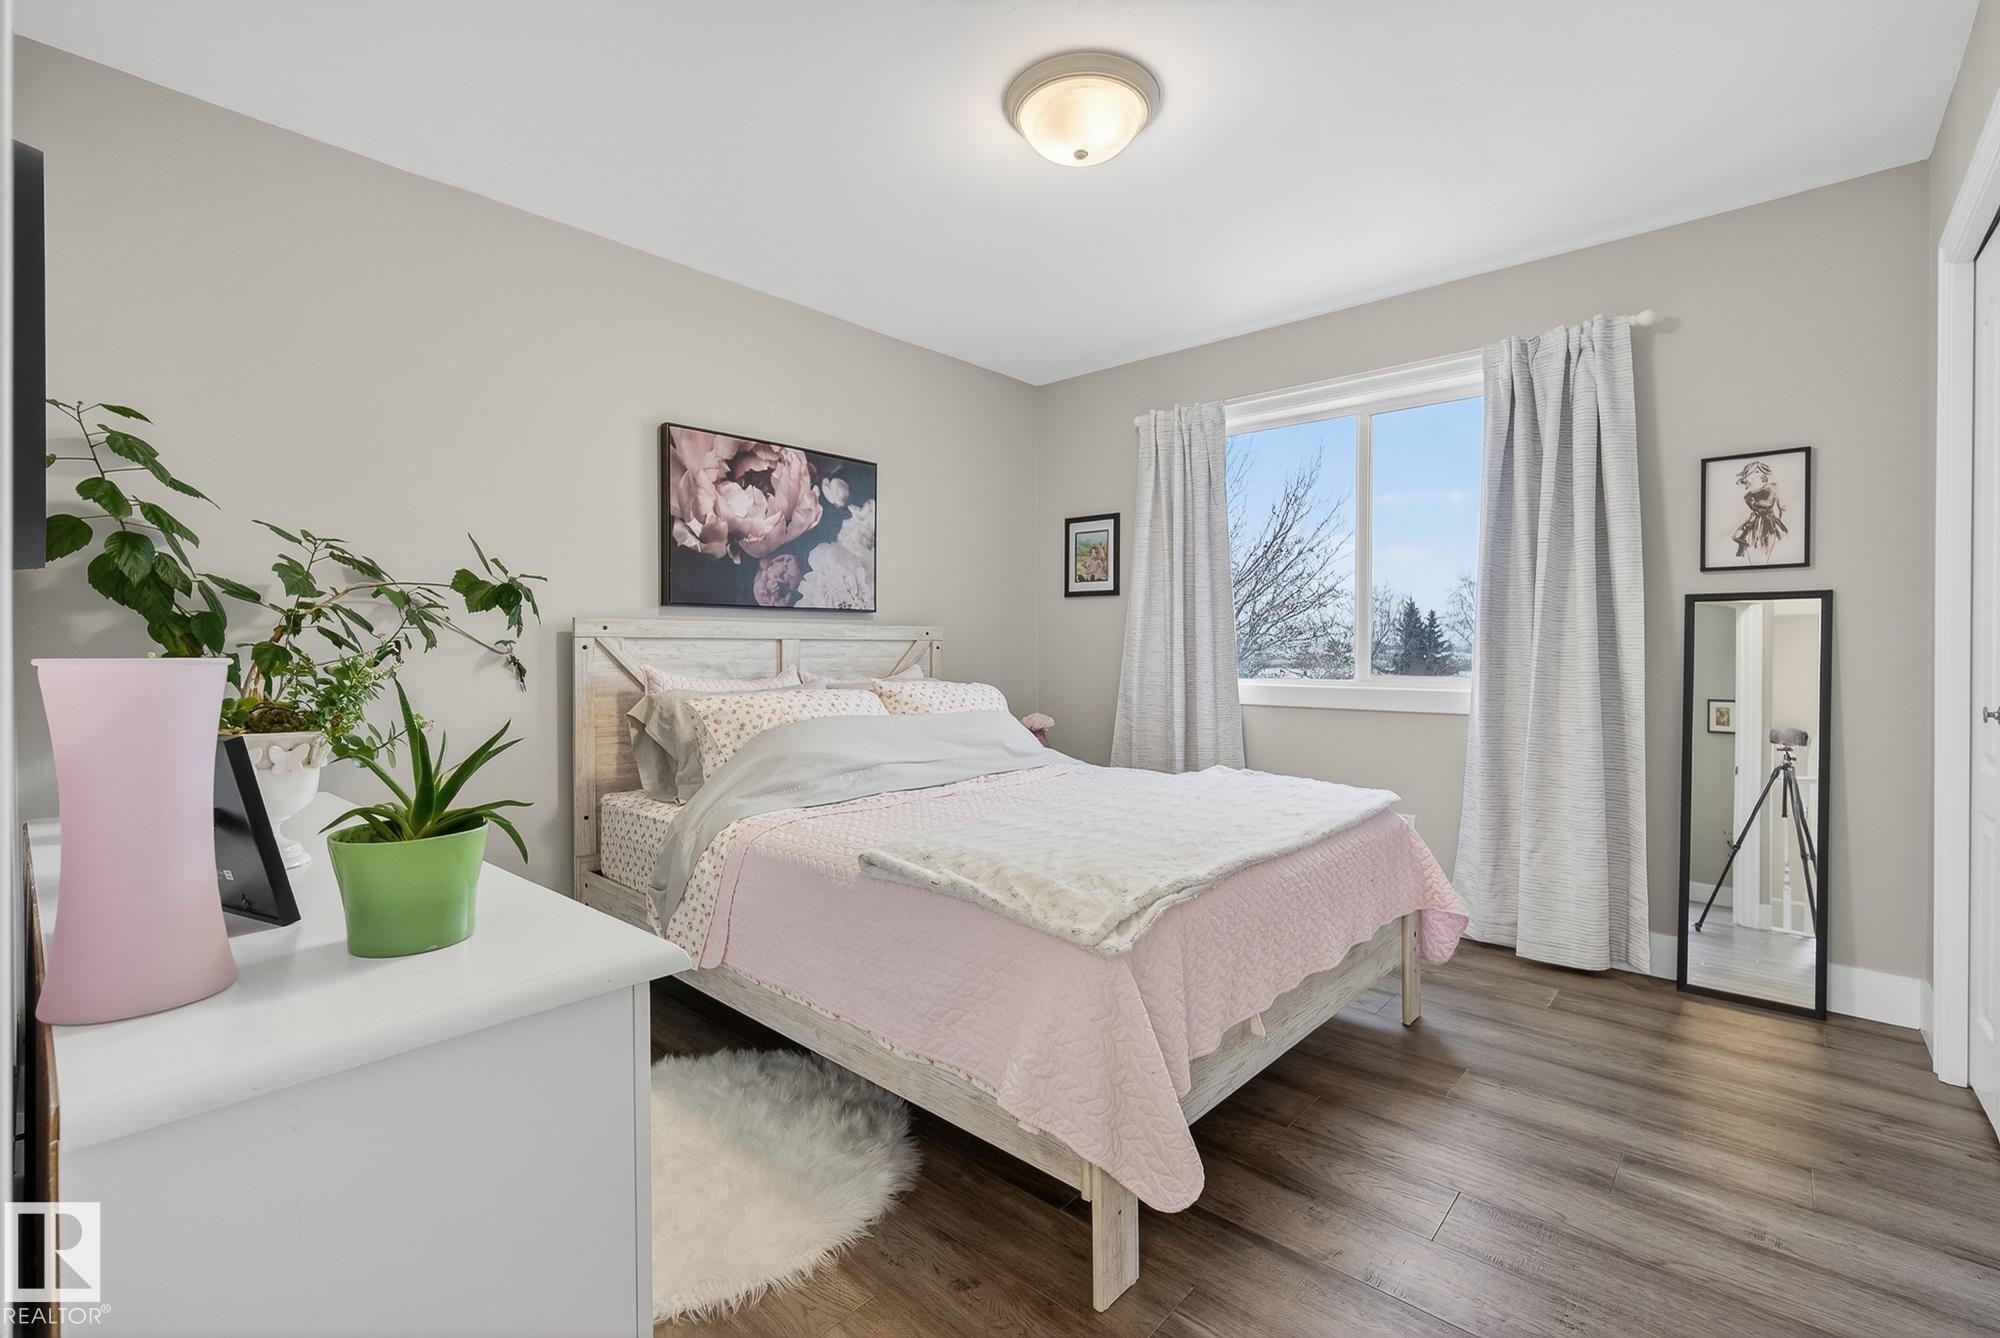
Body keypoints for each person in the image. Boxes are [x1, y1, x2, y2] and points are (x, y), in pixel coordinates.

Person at [1732, 460, 1788, 559]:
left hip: (1770, 521)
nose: (1756, 475)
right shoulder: (1749, 495)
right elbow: (1753, 510)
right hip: (1757, 522)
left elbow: (1778, 507)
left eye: (1758, 472)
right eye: (1754, 472)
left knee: (1772, 543)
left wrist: (1778, 518)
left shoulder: (1771, 488)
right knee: (1754, 543)